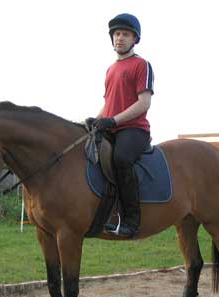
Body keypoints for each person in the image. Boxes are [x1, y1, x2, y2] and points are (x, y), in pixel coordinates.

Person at [88, 13, 154, 238]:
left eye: (125, 34)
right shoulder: (110, 69)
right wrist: (95, 120)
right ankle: (107, 215)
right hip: (112, 127)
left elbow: (144, 103)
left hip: (134, 129)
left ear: (135, 39)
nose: (120, 38)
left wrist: (114, 120)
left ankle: (131, 221)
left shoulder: (141, 65)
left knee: (121, 159)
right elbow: (109, 103)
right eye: (116, 34)